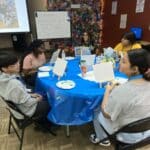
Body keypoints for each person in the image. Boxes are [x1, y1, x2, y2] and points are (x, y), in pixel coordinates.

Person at [90, 48, 150, 146]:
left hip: (127, 136)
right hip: (147, 132)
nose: (119, 63)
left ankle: (101, 138)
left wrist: (108, 91)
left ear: (135, 69)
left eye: (123, 61)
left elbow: (106, 113)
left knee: (97, 109)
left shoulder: (122, 90)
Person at [0, 50, 51, 131]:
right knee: (50, 102)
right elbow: (27, 103)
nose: (18, 65)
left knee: (39, 94)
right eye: (14, 65)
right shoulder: (14, 84)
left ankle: (42, 120)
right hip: (25, 110)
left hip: (17, 109)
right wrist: (37, 99)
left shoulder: (2, 78)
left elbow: (18, 95)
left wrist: (31, 95)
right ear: (4, 68)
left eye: (18, 62)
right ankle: (45, 125)